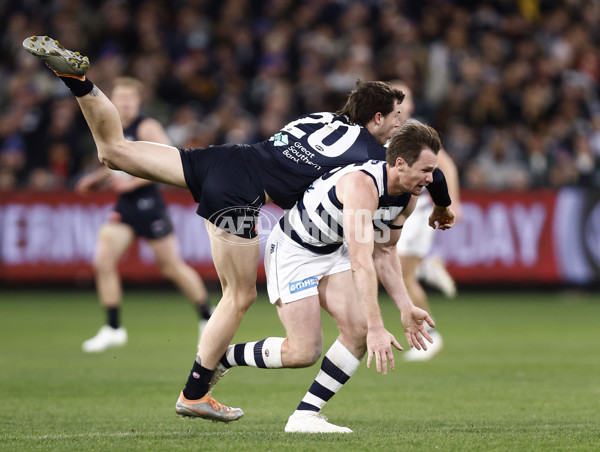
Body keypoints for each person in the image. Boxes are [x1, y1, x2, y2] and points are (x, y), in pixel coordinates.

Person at [23, 36, 455, 422]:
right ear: (376, 119)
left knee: (114, 152)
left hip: (228, 158)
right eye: (396, 117)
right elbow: (416, 172)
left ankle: (78, 83)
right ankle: (194, 393)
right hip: (243, 194)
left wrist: (440, 203)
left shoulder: (322, 117)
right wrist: (444, 203)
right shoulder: (364, 153)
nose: (400, 125)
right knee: (239, 295)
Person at [191, 121, 445, 432]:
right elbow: (362, 262)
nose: (431, 178)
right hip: (293, 251)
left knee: (358, 331)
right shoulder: (362, 187)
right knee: (303, 352)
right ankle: (224, 358)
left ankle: (305, 416)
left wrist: (405, 308)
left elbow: (385, 252)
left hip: (329, 251)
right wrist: (379, 326)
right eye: (426, 170)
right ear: (400, 164)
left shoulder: (408, 195)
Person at [74, 77, 212, 353]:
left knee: (171, 267)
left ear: (138, 102)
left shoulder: (146, 126)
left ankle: (208, 319)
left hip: (148, 204)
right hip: (125, 205)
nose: (124, 103)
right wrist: (98, 178)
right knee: (103, 260)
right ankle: (113, 328)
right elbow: (119, 160)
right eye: (120, 97)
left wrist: (131, 183)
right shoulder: (115, 128)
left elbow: (170, 163)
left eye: (129, 98)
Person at [390, 81, 462, 361]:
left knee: (402, 275)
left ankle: (431, 337)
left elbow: (446, 165)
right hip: (396, 211)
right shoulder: (385, 130)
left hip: (416, 212)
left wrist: (450, 201)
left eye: (403, 99)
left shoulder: (415, 131)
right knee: (394, 270)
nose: (399, 105)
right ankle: (428, 266)